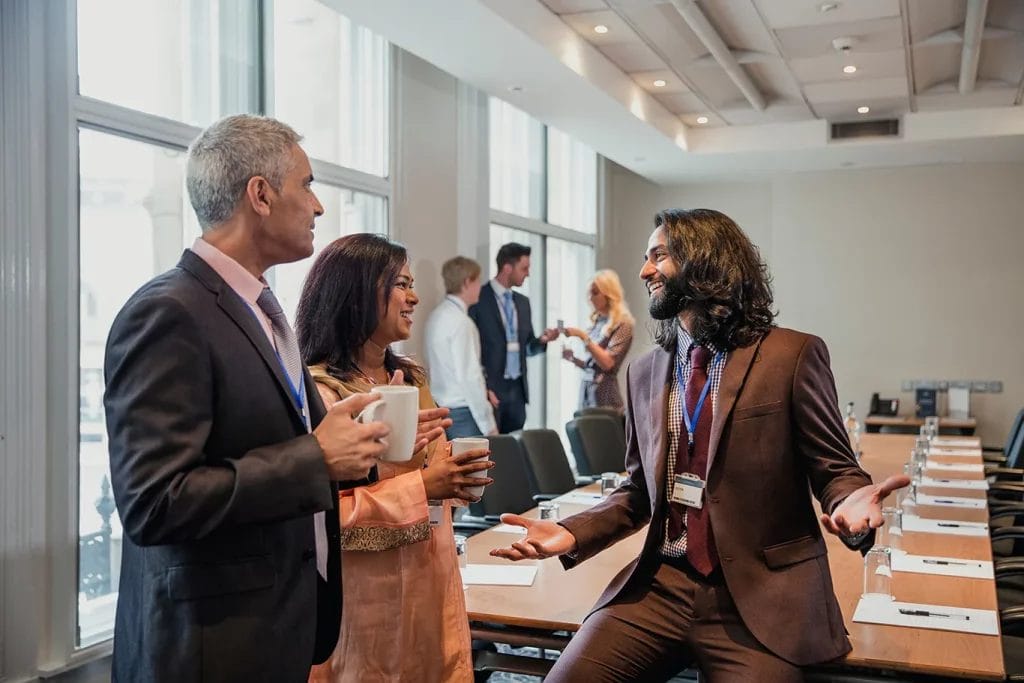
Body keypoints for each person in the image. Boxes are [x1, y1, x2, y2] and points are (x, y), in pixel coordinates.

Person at [491, 208, 910, 682]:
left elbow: (836, 471)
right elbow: (637, 492)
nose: (644, 270)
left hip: (760, 595)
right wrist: (572, 532)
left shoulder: (791, 356)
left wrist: (851, 506)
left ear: (706, 260)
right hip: (661, 586)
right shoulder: (645, 372)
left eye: (659, 256)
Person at [103, 114, 392, 682]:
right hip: (211, 646)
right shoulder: (168, 311)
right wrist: (315, 457)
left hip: (274, 626)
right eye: (307, 185)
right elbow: (153, 501)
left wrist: (338, 443)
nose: (319, 207)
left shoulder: (258, 309)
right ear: (260, 194)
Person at [296, 234, 493, 683]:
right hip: (363, 610)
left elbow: (437, 481)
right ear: (358, 293)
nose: (415, 297)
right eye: (401, 284)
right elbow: (320, 523)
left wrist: (458, 477)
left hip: (431, 585)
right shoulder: (322, 394)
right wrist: (425, 486)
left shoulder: (409, 378)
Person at [468, 242, 558, 433]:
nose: (528, 274)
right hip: (491, 389)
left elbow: (527, 347)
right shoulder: (478, 298)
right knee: (493, 451)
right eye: (524, 268)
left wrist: (542, 340)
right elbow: (470, 350)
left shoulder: (523, 303)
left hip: (517, 391)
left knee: (513, 450)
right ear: (507, 268)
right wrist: (482, 387)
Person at [425, 256, 499, 438]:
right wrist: (488, 424)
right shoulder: (462, 323)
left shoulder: (435, 316)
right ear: (467, 283)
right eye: (478, 281)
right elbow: (469, 376)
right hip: (464, 413)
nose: (480, 287)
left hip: (440, 408)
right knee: (477, 466)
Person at [561, 269, 635, 413]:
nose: (590, 298)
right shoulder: (597, 322)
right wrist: (574, 360)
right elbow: (593, 366)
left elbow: (607, 364)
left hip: (605, 394)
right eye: (589, 293)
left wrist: (582, 336)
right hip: (587, 391)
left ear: (608, 294)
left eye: (595, 293)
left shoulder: (623, 324)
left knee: (601, 433)